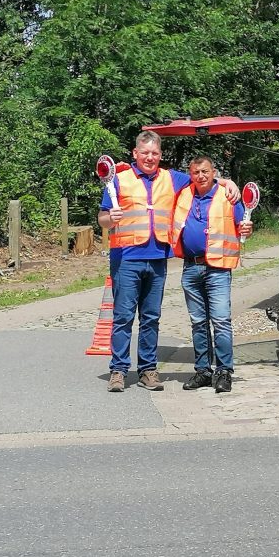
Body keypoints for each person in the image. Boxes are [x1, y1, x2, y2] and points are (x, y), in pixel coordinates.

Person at [98, 131, 239, 393]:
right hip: (126, 259)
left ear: (160, 155)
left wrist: (228, 182)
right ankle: (118, 370)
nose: (149, 157)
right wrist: (110, 218)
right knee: (123, 317)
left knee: (151, 318)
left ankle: (148, 370)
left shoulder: (171, 178)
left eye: (154, 153)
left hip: (158, 259)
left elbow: (203, 178)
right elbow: (102, 219)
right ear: (135, 153)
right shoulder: (119, 180)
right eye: (145, 153)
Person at [170, 155, 252, 394]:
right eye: (196, 173)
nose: (201, 176)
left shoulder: (227, 195)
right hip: (190, 268)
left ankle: (224, 371)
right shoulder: (183, 194)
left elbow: (242, 225)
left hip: (217, 268)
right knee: (198, 323)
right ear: (190, 174)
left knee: (221, 322)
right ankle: (203, 371)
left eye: (205, 171)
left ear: (213, 172)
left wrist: (247, 228)